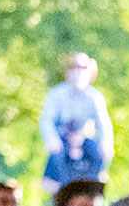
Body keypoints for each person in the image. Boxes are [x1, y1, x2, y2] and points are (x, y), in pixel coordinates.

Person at [40, 53, 116, 194]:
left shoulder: (95, 97)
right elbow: (47, 120)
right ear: (69, 72)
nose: (79, 73)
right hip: (63, 139)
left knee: (98, 157)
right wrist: (52, 139)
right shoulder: (57, 94)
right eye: (76, 68)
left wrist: (106, 143)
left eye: (84, 68)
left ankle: (94, 191)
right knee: (57, 159)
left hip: (85, 140)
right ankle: (62, 191)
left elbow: (104, 123)